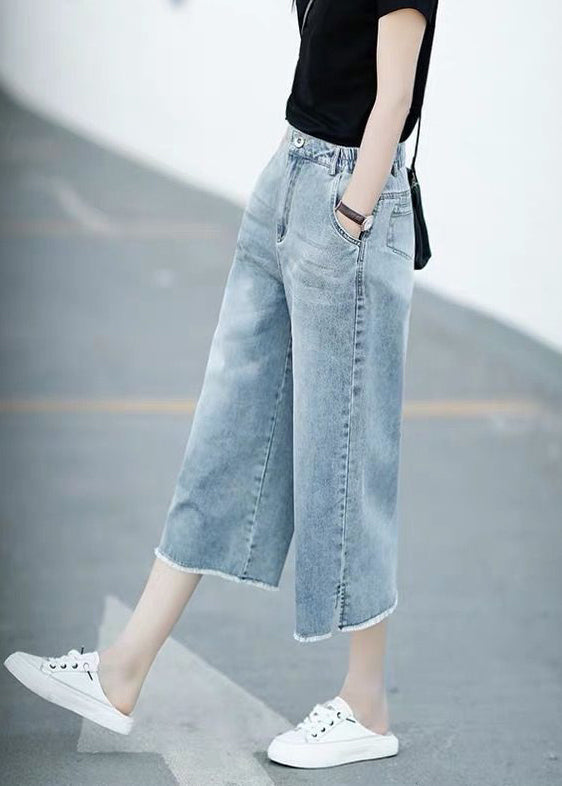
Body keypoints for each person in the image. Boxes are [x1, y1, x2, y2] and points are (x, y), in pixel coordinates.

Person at [4, 0, 439, 771]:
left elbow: (394, 95)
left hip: (348, 199)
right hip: (290, 175)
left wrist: (350, 213)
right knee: (227, 428)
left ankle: (366, 705)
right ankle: (122, 670)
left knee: (345, 456)